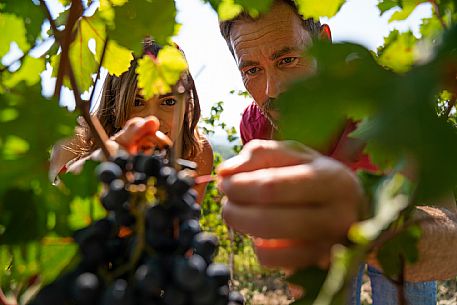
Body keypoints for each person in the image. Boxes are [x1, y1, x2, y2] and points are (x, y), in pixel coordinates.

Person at [216, 0, 457, 303]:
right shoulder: (256, 126)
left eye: (287, 60)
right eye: (252, 69)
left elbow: (452, 241)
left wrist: (363, 218)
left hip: (403, 241)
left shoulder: (388, 105)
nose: (272, 90)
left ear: (324, 43)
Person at [49, 39, 213, 203]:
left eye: (169, 102)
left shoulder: (196, 152)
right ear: (114, 105)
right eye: (137, 103)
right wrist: (99, 161)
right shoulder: (75, 139)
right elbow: (53, 212)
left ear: (187, 105)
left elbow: (181, 223)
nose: (152, 120)